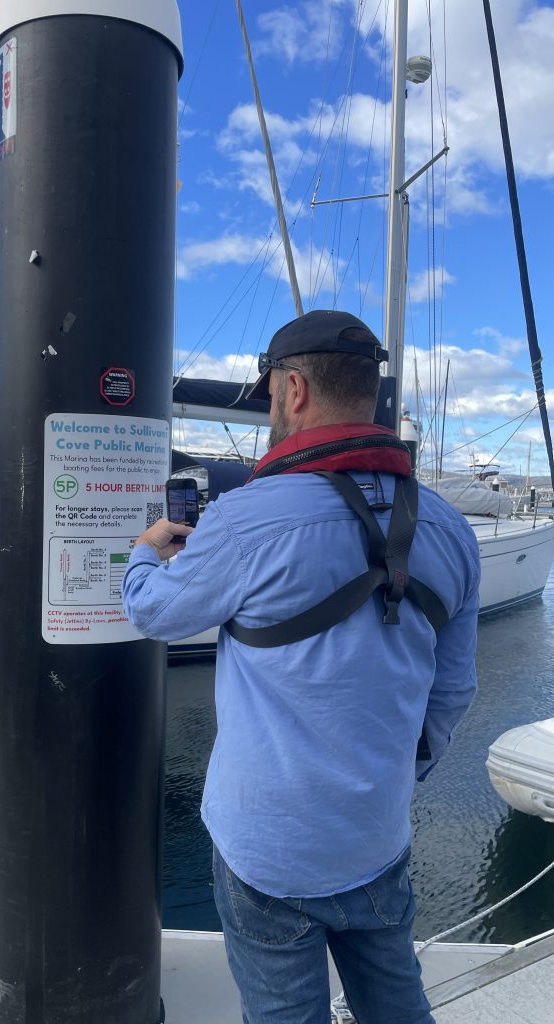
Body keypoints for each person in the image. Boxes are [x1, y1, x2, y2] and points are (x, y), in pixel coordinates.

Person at [122, 309, 480, 1024]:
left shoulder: (245, 518)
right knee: (398, 1008)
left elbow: (153, 613)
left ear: (292, 390)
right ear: (368, 392)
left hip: (267, 853)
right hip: (377, 835)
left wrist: (144, 552)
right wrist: (391, 778)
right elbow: (453, 691)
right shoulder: (451, 527)